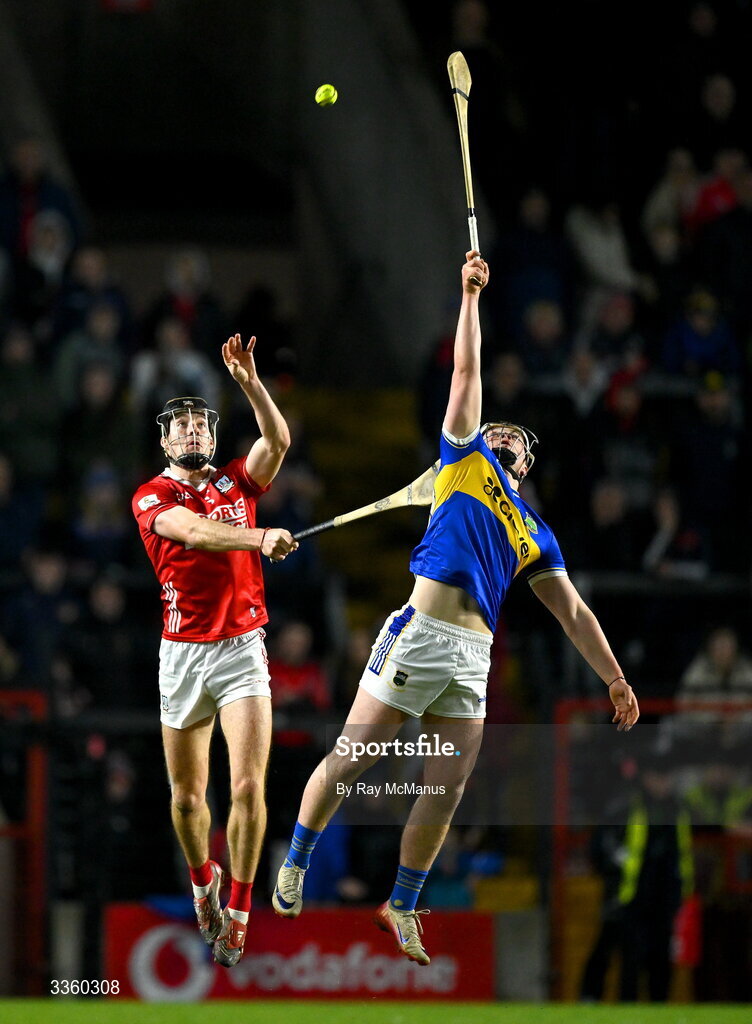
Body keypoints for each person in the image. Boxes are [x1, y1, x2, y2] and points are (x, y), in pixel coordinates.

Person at [271, 251, 639, 965]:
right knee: (352, 759)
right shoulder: (462, 457)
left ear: (528, 466)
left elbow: (574, 615)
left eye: (518, 441)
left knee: (446, 786)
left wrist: (615, 678)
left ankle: (401, 903)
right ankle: (296, 860)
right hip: (421, 631)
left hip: (474, 656)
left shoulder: (536, 532)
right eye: (501, 432)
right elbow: (466, 375)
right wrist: (469, 297)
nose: (506, 439)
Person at [131, 333, 298, 968]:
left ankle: (240, 907)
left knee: (250, 785)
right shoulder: (152, 495)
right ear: (167, 441)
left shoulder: (235, 481)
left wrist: (251, 382)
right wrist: (259, 538)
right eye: (182, 424)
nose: (194, 429)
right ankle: (202, 878)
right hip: (182, 656)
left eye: (202, 420)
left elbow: (278, 444)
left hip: (241, 650)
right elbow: (197, 535)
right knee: (188, 799)